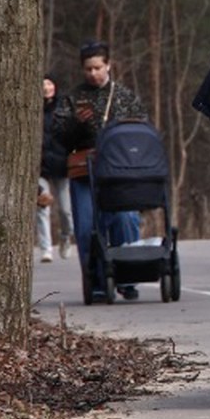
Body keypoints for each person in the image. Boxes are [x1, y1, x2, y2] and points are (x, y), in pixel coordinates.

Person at [56, 41, 147, 301]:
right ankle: (95, 281)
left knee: (125, 219)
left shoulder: (125, 96)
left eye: (97, 68)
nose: (93, 73)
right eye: (88, 69)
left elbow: (141, 130)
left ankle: (128, 278)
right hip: (85, 173)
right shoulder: (73, 99)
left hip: (120, 172)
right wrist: (76, 125)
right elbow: (59, 138)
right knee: (86, 227)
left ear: (108, 65)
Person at [38, 74, 74, 262]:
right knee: (42, 208)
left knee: (66, 211)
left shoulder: (64, 108)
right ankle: (46, 249)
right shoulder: (33, 109)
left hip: (62, 166)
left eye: (50, 83)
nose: (46, 88)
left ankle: (65, 236)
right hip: (40, 167)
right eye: (43, 84)